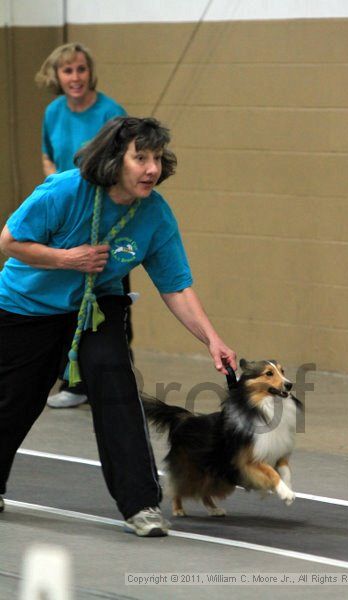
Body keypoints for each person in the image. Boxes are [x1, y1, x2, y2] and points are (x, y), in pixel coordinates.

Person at [0, 116, 237, 536]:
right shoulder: (64, 191)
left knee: (117, 391)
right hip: (28, 306)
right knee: (15, 402)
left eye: (157, 159)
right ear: (115, 159)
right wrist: (66, 259)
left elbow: (176, 286)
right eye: (140, 158)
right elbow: (9, 242)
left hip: (97, 304)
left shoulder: (155, 216)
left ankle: (141, 504)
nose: (151, 169)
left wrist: (212, 340)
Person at [35, 42, 132, 408]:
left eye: (80, 69)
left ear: (90, 72)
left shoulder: (112, 113)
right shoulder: (53, 112)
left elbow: (127, 165)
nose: (74, 77)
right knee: (65, 297)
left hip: (104, 219)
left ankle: (114, 381)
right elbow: (48, 155)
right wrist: (58, 189)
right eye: (67, 71)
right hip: (65, 216)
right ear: (56, 76)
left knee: (110, 296)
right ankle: (75, 381)